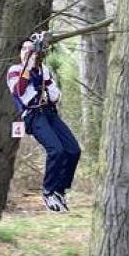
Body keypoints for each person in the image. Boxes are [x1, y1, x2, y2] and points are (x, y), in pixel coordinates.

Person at [7, 37, 81, 212]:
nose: (27, 52)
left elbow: (55, 94)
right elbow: (20, 91)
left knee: (73, 149)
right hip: (33, 116)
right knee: (56, 150)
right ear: (20, 53)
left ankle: (60, 191)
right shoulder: (15, 70)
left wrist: (48, 89)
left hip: (49, 113)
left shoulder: (43, 70)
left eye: (31, 49)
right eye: (24, 49)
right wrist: (28, 66)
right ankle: (48, 190)